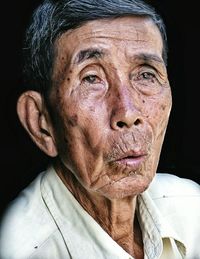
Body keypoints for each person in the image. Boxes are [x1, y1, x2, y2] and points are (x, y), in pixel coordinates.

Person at [0, 0, 200, 258]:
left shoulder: (192, 209)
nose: (128, 113)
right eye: (91, 78)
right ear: (41, 122)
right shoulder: (17, 249)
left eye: (145, 74)